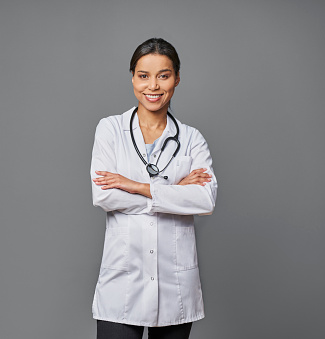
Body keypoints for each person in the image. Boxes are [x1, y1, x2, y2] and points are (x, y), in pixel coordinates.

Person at [90, 38, 218, 339]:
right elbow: (105, 195)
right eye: (144, 75)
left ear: (177, 78)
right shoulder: (110, 129)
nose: (153, 86)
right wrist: (172, 192)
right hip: (122, 283)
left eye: (164, 75)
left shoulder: (191, 139)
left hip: (175, 287)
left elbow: (205, 199)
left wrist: (137, 187)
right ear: (133, 77)